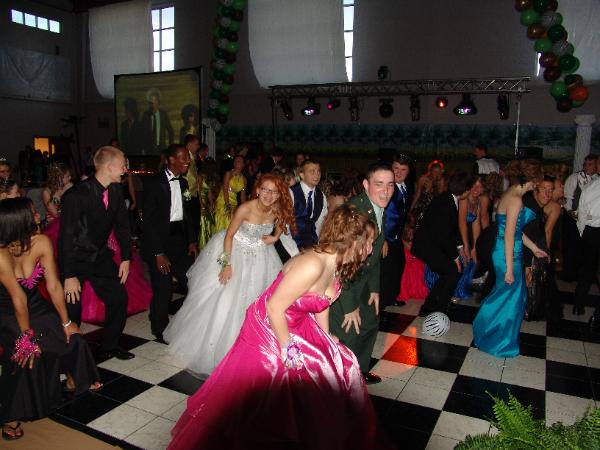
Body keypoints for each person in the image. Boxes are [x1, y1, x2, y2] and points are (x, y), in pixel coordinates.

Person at [168, 204, 380, 450]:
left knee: (340, 362)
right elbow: (274, 306)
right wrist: (287, 347)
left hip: (297, 321)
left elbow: (321, 304)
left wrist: (326, 336)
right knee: (272, 388)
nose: (371, 249)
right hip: (268, 324)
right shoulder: (312, 264)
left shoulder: (336, 263)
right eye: (368, 242)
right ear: (351, 241)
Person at [164, 174, 297, 375]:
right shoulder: (245, 208)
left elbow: (282, 222)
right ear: (258, 190)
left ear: (279, 195)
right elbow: (229, 236)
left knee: (257, 301)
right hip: (235, 251)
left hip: (261, 255)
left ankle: (251, 349)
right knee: (226, 299)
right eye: (265, 190)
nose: (269, 195)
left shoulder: (277, 209)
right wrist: (227, 264)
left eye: (274, 192)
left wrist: (275, 237)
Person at [0, 198, 100, 440]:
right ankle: (10, 415)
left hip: (36, 305)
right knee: (25, 353)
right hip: (7, 311)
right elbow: (17, 299)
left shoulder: (42, 241)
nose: (38, 214)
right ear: (18, 221)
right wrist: (26, 337)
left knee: (69, 336)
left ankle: (73, 377)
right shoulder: (1, 254)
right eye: (33, 212)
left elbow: (54, 286)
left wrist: (66, 322)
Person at [58, 146, 134, 360]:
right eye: (122, 166)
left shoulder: (116, 190)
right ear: (109, 167)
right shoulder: (76, 195)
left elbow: (122, 226)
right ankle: (70, 357)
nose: (125, 170)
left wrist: (126, 258)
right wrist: (69, 275)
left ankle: (110, 345)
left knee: (118, 298)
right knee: (72, 311)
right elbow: (66, 237)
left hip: (100, 256)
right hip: (75, 259)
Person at [473, 160, 547, 358]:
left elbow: (515, 231)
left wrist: (535, 249)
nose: (538, 185)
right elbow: (508, 235)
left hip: (506, 252)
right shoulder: (516, 200)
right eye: (538, 181)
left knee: (509, 296)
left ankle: (492, 334)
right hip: (508, 255)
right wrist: (508, 269)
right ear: (532, 180)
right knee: (511, 298)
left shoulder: (511, 194)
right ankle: (498, 340)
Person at [329, 162, 395, 385]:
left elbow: (373, 254)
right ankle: (342, 380)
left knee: (369, 324)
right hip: (344, 284)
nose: (385, 191)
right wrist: (349, 306)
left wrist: (374, 288)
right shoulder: (354, 212)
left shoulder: (376, 205)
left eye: (390, 185)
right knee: (349, 331)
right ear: (366, 185)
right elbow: (339, 264)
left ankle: (359, 371)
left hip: (363, 278)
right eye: (379, 184)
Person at [142, 144, 198, 342]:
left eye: (188, 158)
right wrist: (158, 253)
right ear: (171, 160)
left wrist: (192, 241)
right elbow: (148, 222)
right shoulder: (153, 183)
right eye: (183, 157)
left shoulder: (183, 183)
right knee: (163, 287)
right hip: (158, 241)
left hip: (179, 240)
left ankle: (190, 322)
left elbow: (188, 215)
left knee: (191, 280)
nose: (188, 161)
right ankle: (159, 327)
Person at [412, 172, 473, 316]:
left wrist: (460, 247)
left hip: (433, 244)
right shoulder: (446, 202)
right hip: (426, 246)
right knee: (452, 272)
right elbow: (444, 235)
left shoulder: (449, 198)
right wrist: (455, 257)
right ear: (465, 190)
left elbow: (452, 229)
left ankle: (431, 305)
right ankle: (437, 307)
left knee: (451, 272)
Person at [381, 155, 413, 308]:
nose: (399, 173)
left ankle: (391, 297)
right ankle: (381, 303)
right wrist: (382, 238)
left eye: (403, 169)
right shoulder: (386, 188)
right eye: (396, 168)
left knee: (399, 264)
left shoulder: (406, 187)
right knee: (386, 269)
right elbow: (379, 214)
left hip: (396, 236)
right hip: (385, 236)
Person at [562, 154, 597, 282]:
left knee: (585, 249)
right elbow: (567, 197)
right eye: (585, 164)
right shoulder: (574, 177)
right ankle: (568, 275)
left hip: (589, 221)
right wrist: (570, 211)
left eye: (590, 164)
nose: (586, 167)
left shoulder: (597, 180)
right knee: (571, 247)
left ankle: (582, 275)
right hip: (573, 219)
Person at [575, 158, 600, 327]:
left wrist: (583, 231)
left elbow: (581, 213)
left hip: (590, 231)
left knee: (588, 269)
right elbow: (582, 212)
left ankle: (578, 305)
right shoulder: (592, 185)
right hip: (592, 231)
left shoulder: (592, 185)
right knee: (588, 270)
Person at [453, 176, 484, 300]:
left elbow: (477, 224)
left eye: (480, 186)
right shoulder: (464, 199)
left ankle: (461, 289)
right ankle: (454, 292)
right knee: (462, 260)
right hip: (455, 234)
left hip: (467, 234)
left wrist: (475, 247)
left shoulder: (478, 201)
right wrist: (465, 245)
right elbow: (461, 223)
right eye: (474, 186)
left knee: (472, 258)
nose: (476, 189)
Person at [289, 160, 328, 250]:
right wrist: (294, 251)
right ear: (302, 175)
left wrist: (317, 245)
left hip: (312, 245)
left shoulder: (321, 196)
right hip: (291, 244)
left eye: (318, 171)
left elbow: (320, 224)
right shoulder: (291, 192)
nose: (317, 175)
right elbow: (284, 225)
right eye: (312, 171)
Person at [214, 154, 246, 233]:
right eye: (235, 161)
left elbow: (242, 196)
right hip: (224, 199)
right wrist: (227, 204)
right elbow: (225, 189)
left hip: (234, 202)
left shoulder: (244, 178)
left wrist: (246, 208)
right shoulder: (229, 173)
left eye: (239, 161)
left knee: (232, 224)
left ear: (243, 165)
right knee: (224, 222)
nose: (236, 162)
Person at [141, 87, 174, 154]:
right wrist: (143, 147)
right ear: (149, 103)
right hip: (149, 149)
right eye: (151, 102)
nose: (153, 104)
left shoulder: (163, 114)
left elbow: (170, 131)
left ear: (158, 102)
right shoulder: (146, 115)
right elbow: (143, 132)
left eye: (155, 101)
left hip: (161, 148)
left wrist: (171, 146)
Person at [183, 134, 202, 239]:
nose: (198, 146)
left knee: (194, 222)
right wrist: (187, 197)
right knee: (189, 220)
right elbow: (184, 179)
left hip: (193, 194)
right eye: (196, 144)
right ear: (189, 144)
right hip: (187, 194)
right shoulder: (184, 157)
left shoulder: (193, 158)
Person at [197, 158, 218, 250]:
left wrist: (212, 203)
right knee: (203, 223)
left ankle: (208, 244)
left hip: (206, 202)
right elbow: (198, 191)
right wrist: (201, 205)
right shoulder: (200, 176)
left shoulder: (208, 177)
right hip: (200, 201)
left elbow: (209, 192)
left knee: (209, 222)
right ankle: (202, 245)